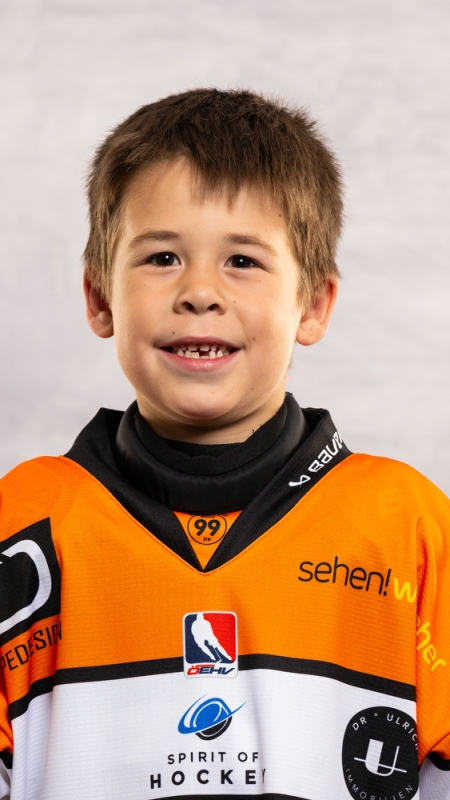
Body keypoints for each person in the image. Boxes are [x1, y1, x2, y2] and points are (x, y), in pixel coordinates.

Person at [0, 88, 448, 800]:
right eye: (162, 257)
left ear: (313, 304)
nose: (200, 292)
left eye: (242, 261)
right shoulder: (22, 524)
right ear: (99, 297)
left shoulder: (409, 530)